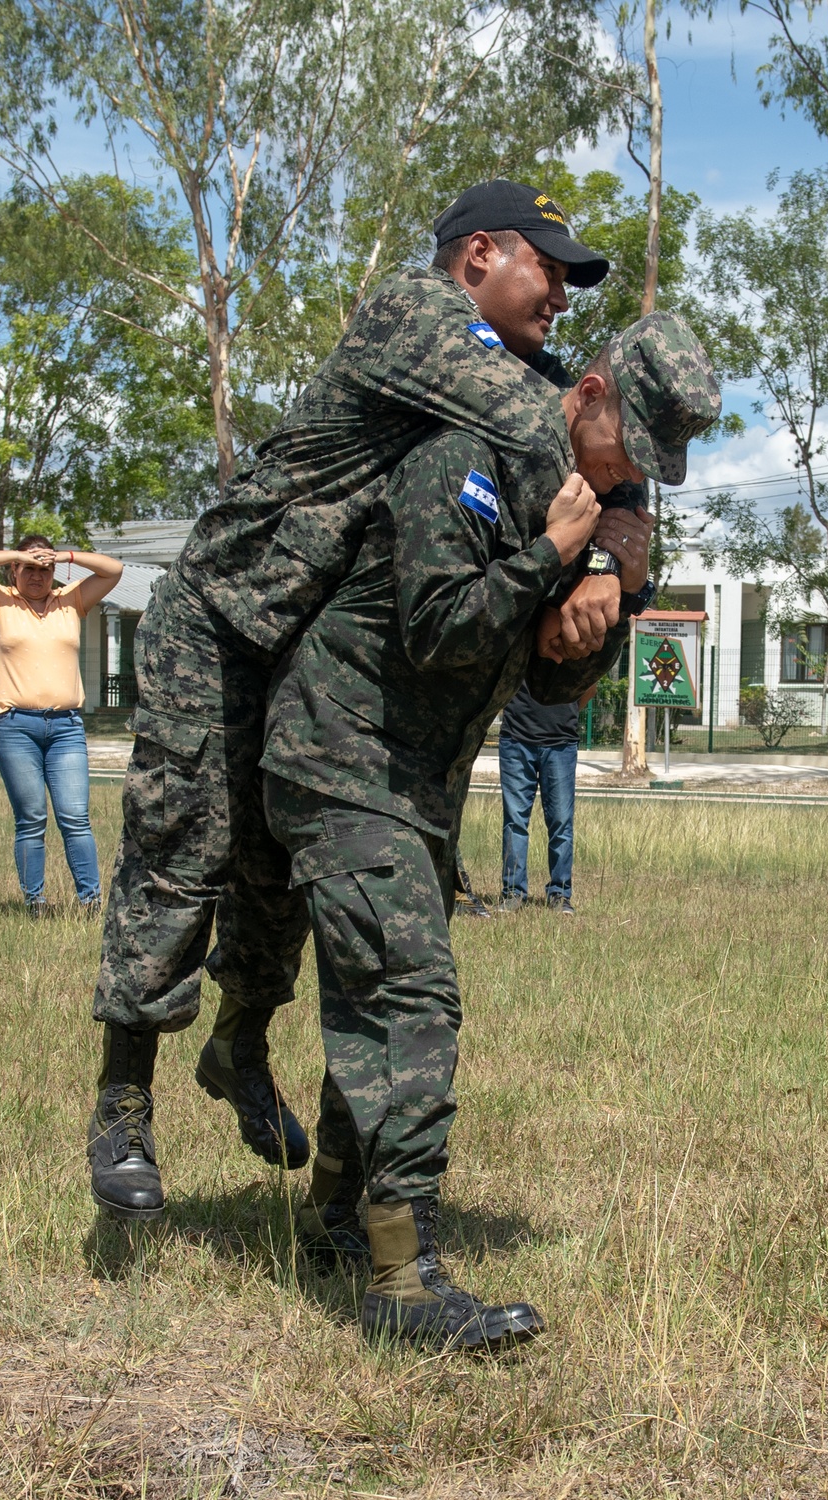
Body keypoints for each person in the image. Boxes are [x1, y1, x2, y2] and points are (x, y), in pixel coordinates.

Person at [86, 179, 642, 1226]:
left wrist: (610, 554)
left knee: (280, 873)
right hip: (219, 616)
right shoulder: (411, 312)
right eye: (548, 267)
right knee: (180, 852)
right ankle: (123, 1103)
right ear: (478, 253)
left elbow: (610, 449)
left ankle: (240, 1042)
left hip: (302, 644)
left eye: (571, 280)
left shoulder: (518, 372)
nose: (562, 296)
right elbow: (567, 434)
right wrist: (612, 486)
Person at [260, 309, 719, 1350]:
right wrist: (550, 553)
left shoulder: (594, 503)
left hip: (413, 778)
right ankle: (401, 1279)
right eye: (628, 447)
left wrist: (615, 594)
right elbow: (434, 632)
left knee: (375, 992)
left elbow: (552, 681)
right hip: (340, 749)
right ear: (589, 393)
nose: (630, 476)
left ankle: (338, 1215)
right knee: (410, 993)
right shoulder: (468, 456)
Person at [0, 538, 124, 914]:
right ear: (14, 571)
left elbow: (114, 570)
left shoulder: (70, 601)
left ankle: (91, 902)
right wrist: (18, 554)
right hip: (13, 726)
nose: (37, 575)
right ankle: (36, 901)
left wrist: (65, 557)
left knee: (75, 816)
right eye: (29, 567)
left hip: (65, 727)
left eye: (44, 568)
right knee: (32, 817)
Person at [498, 685, 593, 914]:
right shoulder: (517, 647)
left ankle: (560, 894)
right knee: (515, 821)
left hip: (561, 742)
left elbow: (590, 687)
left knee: (561, 823)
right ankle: (513, 892)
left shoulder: (575, 649)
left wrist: (565, 712)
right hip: (515, 739)